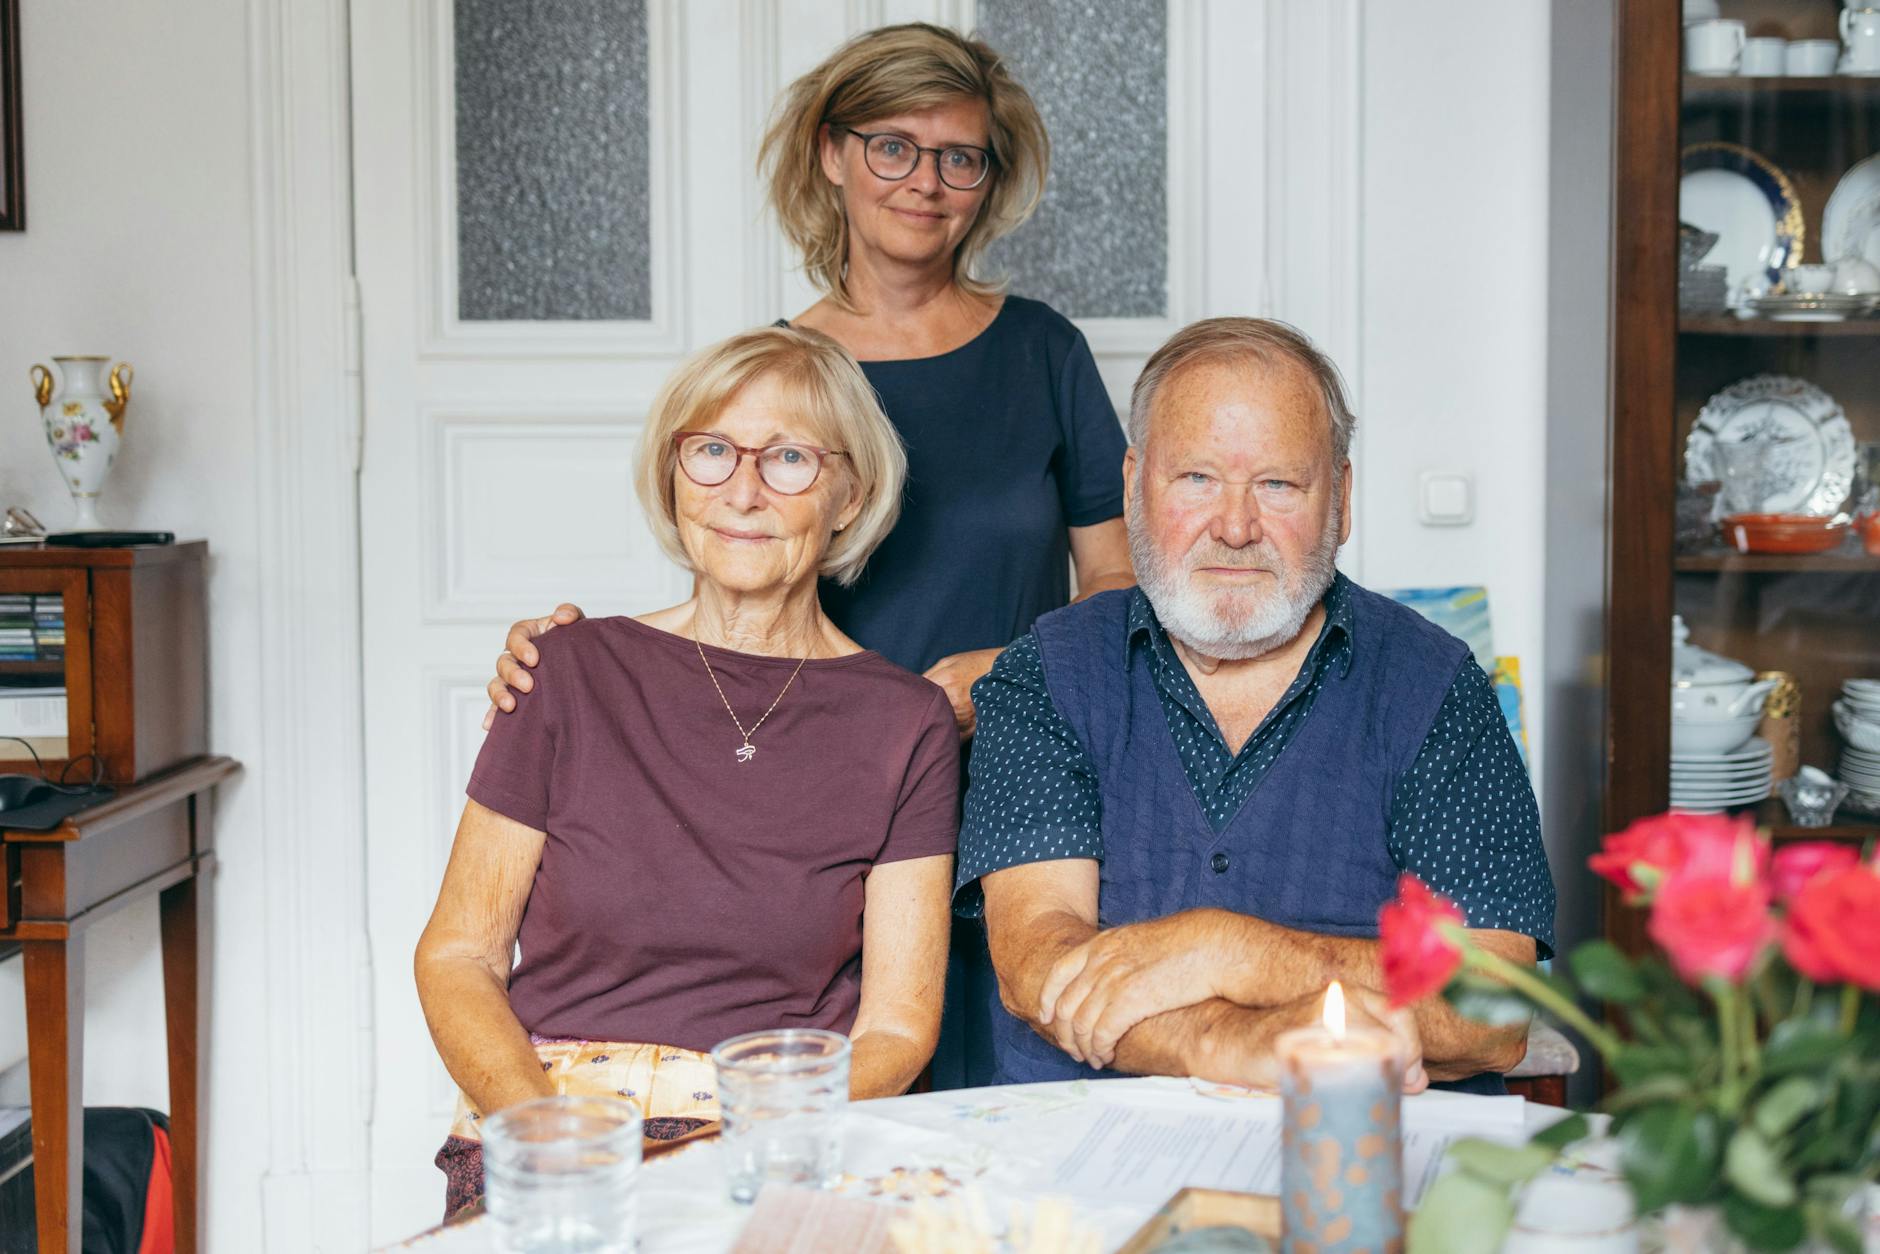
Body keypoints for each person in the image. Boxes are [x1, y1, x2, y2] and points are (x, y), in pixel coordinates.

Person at [484, 23, 1135, 1087]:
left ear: (986, 180)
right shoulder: (784, 376)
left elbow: (1116, 589)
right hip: (823, 808)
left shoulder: (1042, 353)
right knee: (854, 1100)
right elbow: (740, 566)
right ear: (831, 153)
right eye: (891, 146)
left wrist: (1006, 674)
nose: (923, 181)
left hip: (1015, 778)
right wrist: (559, 656)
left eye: (957, 156)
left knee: (998, 1097)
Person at [415, 327, 960, 1216]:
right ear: (673, 476)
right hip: (549, 1127)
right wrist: (551, 1136)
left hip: (775, 1141)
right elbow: (458, 954)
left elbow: (897, 1027)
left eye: (787, 458)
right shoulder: (567, 671)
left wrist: (727, 1164)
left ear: (849, 492)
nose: (741, 492)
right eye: (710, 451)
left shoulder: (905, 723)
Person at [959, 317, 1556, 1093]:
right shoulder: (1045, 672)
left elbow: (1495, 1009)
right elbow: (1040, 966)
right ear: (1136, 486)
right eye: (1197, 479)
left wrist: (1225, 949)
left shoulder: (1434, 685)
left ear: (1339, 498)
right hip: (1093, 1170)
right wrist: (1225, 1040)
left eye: (1277, 484)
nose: (1235, 528)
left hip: (1364, 1156)